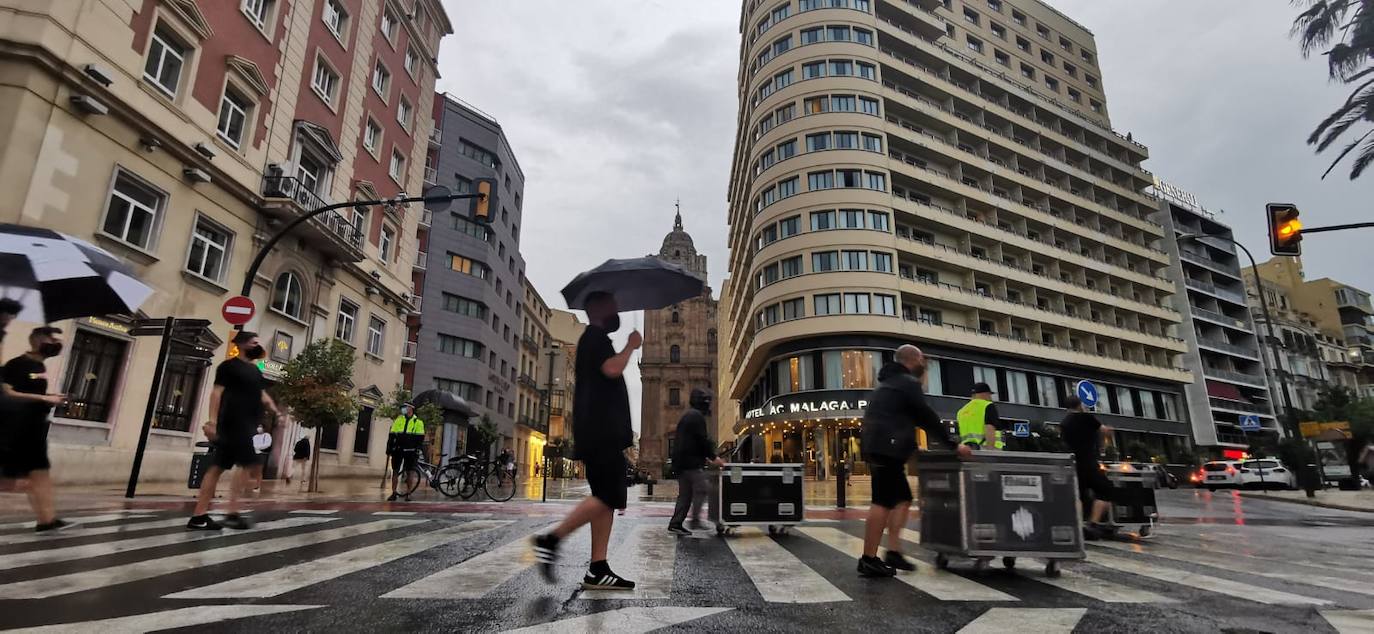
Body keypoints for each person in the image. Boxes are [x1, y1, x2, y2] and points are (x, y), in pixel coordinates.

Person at [532, 291, 640, 590]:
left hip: (601, 433)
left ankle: (598, 568)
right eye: (613, 305)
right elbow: (612, 368)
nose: (617, 309)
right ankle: (551, 539)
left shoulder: (595, 340)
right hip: (601, 432)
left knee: (606, 500)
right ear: (599, 309)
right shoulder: (594, 337)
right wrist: (631, 347)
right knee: (608, 495)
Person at [858, 344, 969, 577]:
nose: (924, 363)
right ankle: (868, 559)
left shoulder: (889, 383)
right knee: (882, 501)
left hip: (880, 446)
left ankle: (894, 551)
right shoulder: (907, 383)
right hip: (886, 448)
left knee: (903, 499)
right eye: (922, 359)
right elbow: (925, 415)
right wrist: (952, 444)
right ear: (913, 359)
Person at [188, 331, 279, 530]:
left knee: (221, 467)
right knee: (247, 466)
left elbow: (262, 393)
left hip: (246, 425)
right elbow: (216, 393)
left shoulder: (255, 371)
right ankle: (230, 512)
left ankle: (201, 516)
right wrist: (212, 422)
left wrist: (275, 411)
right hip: (233, 424)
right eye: (254, 342)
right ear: (242, 344)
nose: (258, 345)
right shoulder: (228, 367)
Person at [1, 327, 73, 532]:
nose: (56, 342)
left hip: (33, 427)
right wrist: (44, 398)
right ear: (38, 340)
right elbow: (7, 393)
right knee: (10, 482)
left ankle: (46, 520)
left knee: (40, 474)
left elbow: (28, 394)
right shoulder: (17, 364)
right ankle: (46, 520)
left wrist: (52, 398)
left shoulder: (39, 366)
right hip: (16, 428)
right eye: (52, 338)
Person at [668, 389, 725, 535]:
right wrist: (713, 457)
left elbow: (693, 441)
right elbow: (702, 440)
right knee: (702, 488)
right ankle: (695, 521)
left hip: (681, 463)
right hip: (690, 463)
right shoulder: (697, 416)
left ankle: (675, 523)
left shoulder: (688, 415)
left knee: (685, 495)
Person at [1060, 395, 1115, 539]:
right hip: (1089, 462)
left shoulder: (1064, 422)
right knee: (1105, 490)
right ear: (1079, 405)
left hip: (1073, 463)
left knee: (1077, 493)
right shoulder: (1087, 418)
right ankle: (1093, 524)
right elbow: (1103, 430)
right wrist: (1107, 436)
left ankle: (1077, 524)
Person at [386, 403, 425, 501]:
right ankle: (394, 493)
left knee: (409, 472)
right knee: (395, 470)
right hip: (398, 450)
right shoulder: (398, 420)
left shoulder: (418, 422)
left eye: (405, 407)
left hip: (410, 451)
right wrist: (389, 448)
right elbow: (392, 435)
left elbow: (420, 438)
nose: (403, 409)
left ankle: (408, 493)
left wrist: (417, 449)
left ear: (411, 408)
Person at [955, 382, 1004, 450]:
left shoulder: (961, 411)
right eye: (990, 394)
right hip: (985, 448)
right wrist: (991, 451)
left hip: (967, 450)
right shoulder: (988, 406)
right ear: (985, 394)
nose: (990, 397)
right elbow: (989, 427)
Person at [251, 424, 272, 492]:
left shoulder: (267, 435)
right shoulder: (255, 436)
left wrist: (257, 447)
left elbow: (267, 444)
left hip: (261, 454)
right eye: (258, 426)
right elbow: (251, 444)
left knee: (259, 470)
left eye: (260, 427)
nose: (259, 428)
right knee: (248, 469)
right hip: (253, 454)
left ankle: (257, 486)